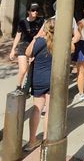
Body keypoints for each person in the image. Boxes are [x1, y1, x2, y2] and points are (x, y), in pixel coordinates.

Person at [24, 18, 57, 151]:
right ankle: (45, 139)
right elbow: (72, 48)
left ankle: (32, 140)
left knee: (37, 109)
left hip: (38, 78)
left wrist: (36, 37)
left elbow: (27, 52)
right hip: (52, 79)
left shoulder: (39, 41)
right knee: (49, 110)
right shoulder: (59, 41)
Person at [9, 3, 43, 92]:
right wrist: (13, 50)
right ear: (28, 11)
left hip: (35, 46)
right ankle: (18, 87)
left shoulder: (41, 21)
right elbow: (18, 36)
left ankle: (28, 87)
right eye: (33, 10)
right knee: (23, 69)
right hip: (23, 45)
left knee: (32, 69)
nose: (35, 12)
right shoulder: (22, 22)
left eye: (37, 10)